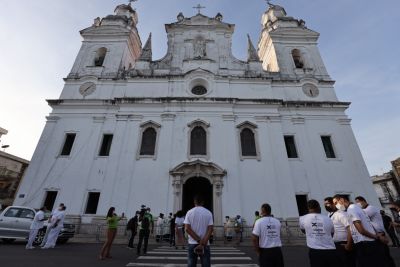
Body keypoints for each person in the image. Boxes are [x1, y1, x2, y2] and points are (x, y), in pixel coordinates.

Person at [333, 194, 386, 267]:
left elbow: (361, 230)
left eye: (336, 203)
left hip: (364, 244)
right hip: (370, 243)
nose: (336, 206)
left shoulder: (351, 210)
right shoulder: (357, 208)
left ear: (342, 200)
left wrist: (377, 237)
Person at [299, 199, 342, 267]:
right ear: (319, 207)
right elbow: (332, 233)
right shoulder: (328, 218)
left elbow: (303, 230)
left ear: (308, 208)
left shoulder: (302, 219)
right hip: (331, 250)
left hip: (315, 251)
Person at [355, 196, 395, 267]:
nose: (357, 204)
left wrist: (353, 209)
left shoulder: (370, 208)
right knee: (382, 256)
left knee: (384, 255)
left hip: (380, 234)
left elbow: (362, 215)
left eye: (358, 202)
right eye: (356, 203)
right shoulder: (365, 209)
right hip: (376, 234)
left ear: (363, 201)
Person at [324, 197, 355, 267]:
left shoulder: (341, 214)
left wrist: (348, 245)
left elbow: (350, 228)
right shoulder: (330, 214)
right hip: (335, 244)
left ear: (333, 204)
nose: (326, 206)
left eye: (327, 204)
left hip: (344, 244)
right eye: (325, 204)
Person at [184, 195, 213, 267]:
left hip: (192, 243)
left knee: (191, 264)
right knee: (206, 264)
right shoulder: (208, 213)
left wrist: (198, 240)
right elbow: (210, 229)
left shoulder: (189, 212)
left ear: (194, 202)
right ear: (203, 202)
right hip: (205, 244)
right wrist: (202, 243)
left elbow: (187, 229)